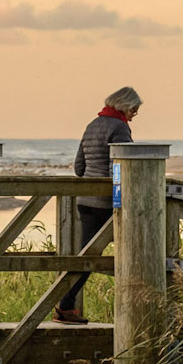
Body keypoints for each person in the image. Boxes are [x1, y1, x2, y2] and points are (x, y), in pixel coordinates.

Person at [53, 86, 139, 325]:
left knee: (87, 254)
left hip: (85, 202)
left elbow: (79, 168)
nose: (136, 114)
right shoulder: (119, 127)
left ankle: (66, 306)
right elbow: (120, 166)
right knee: (96, 257)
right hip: (105, 203)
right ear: (124, 105)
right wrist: (122, 196)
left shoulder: (93, 125)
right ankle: (66, 306)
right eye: (134, 108)